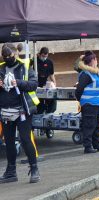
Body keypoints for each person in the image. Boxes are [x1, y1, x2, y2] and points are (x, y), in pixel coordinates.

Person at [0, 44, 40, 183]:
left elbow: (34, 84)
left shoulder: (25, 66)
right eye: (4, 57)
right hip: (6, 111)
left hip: (22, 109)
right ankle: (11, 172)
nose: (7, 59)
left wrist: (19, 82)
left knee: (25, 139)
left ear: (16, 54)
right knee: (9, 142)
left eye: (9, 56)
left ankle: (34, 168)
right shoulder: (1, 68)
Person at [75, 51, 99, 153]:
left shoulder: (96, 73)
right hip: (89, 104)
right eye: (95, 59)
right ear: (91, 61)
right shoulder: (86, 74)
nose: (96, 60)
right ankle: (87, 147)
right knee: (89, 125)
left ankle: (97, 145)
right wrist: (81, 100)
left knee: (96, 125)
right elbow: (79, 89)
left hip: (97, 103)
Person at [36, 47, 57, 114]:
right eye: (43, 56)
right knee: (40, 104)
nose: (44, 58)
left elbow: (51, 74)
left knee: (51, 101)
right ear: (39, 54)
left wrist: (54, 83)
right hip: (36, 84)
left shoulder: (49, 62)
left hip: (45, 85)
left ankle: (49, 112)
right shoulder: (35, 61)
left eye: (46, 56)